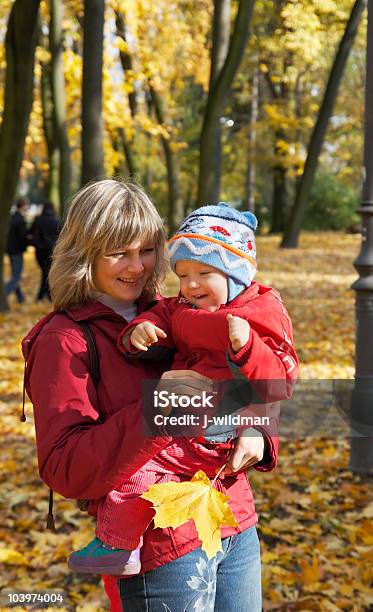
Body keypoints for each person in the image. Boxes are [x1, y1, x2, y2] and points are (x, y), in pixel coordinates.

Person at [21, 179, 285, 612]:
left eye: (146, 250)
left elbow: (248, 374)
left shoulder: (180, 307)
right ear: (83, 252)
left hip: (231, 517)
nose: (138, 267)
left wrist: (260, 429)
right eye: (118, 252)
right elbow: (64, 467)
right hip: (156, 545)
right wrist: (161, 408)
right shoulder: (65, 339)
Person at [68, 203, 299, 586]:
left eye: (204, 273)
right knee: (145, 473)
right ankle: (118, 544)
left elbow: (280, 379)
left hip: (216, 423)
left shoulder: (257, 314)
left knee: (141, 473)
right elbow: (164, 314)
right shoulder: (186, 305)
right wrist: (139, 329)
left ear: (236, 273)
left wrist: (247, 350)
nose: (190, 285)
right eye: (183, 275)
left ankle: (116, 542)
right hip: (192, 420)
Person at [30, 201, 61, 301]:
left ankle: (42, 296)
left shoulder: (38, 220)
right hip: (51, 251)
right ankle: (46, 296)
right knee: (47, 273)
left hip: (39, 251)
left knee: (45, 273)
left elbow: (30, 233)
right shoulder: (56, 221)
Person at [5, 196, 29, 303]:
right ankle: (3, 292)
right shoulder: (20, 219)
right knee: (16, 276)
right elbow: (22, 237)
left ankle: (20, 298)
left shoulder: (12, 217)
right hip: (17, 251)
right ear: (23, 205)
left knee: (15, 274)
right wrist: (30, 239)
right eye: (27, 205)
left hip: (11, 250)